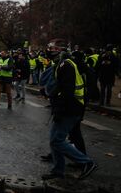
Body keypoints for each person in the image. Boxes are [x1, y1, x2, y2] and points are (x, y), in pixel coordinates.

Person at [41, 49, 97, 180]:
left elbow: (67, 91)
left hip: (70, 108)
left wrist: (59, 110)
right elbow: (61, 86)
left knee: (57, 140)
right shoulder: (64, 64)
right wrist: (50, 92)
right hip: (70, 107)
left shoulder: (65, 65)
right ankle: (58, 171)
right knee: (54, 140)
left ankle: (86, 162)